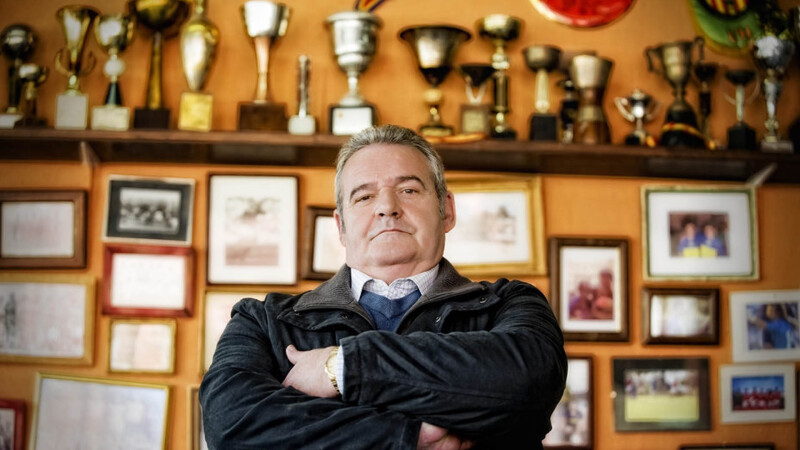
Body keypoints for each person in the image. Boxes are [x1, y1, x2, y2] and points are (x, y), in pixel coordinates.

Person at [200, 124, 567, 449]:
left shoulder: (509, 304)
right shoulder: (263, 321)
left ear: (447, 211)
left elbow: (529, 385)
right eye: (364, 196)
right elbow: (230, 425)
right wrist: (410, 437)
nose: (387, 207)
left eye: (408, 190)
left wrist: (343, 367)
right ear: (341, 226)